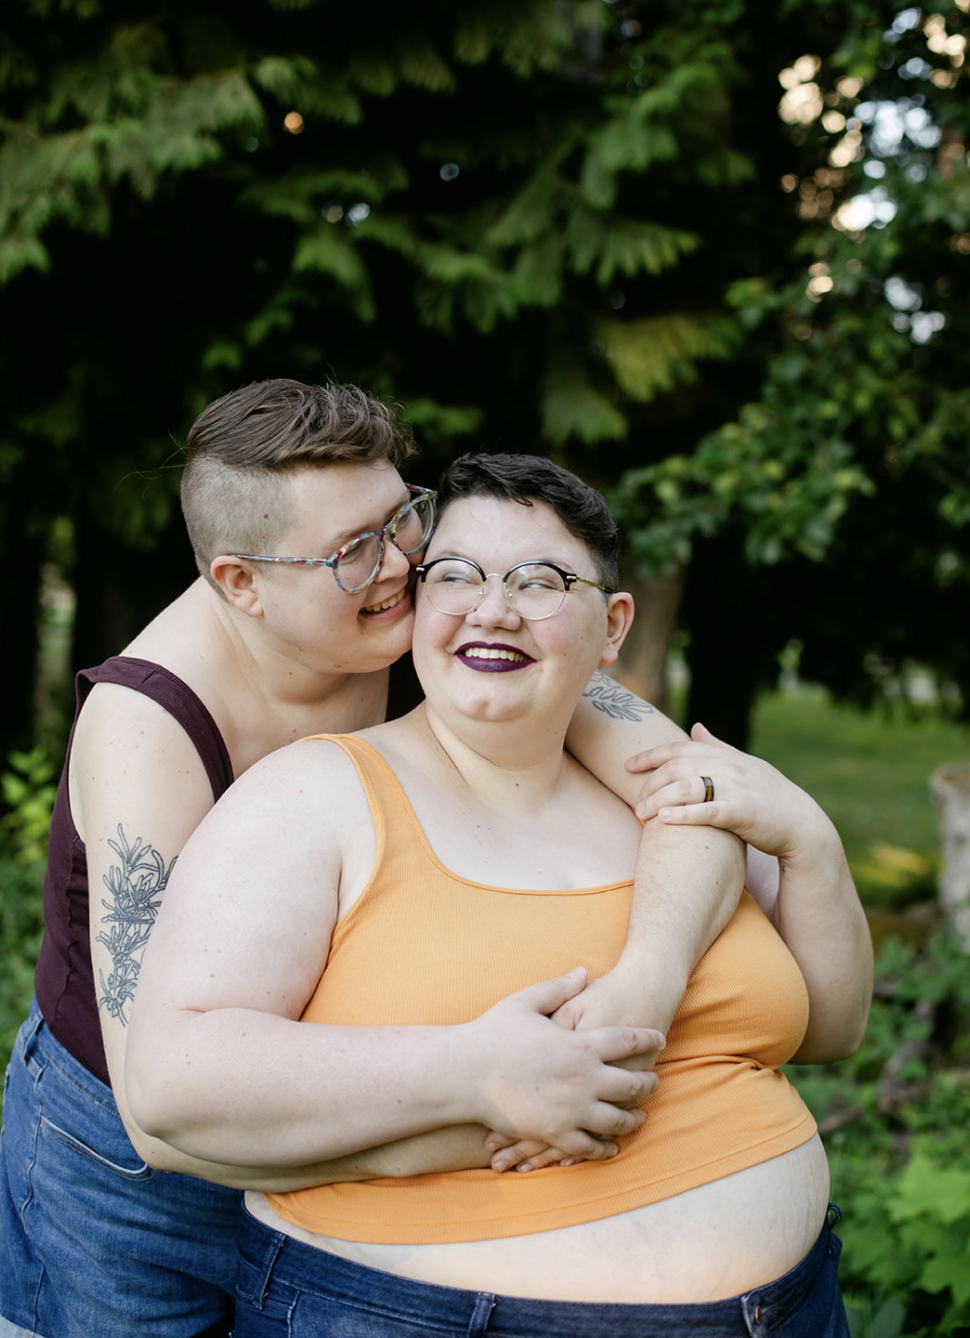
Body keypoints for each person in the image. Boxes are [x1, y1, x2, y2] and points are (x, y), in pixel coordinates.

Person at [0, 382, 747, 1338]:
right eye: (354, 550)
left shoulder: (416, 621)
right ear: (241, 584)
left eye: (402, 517)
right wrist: (496, 1108)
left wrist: (650, 977)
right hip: (126, 1180)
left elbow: (696, 791)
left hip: (346, 1106)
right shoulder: (147, 729)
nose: (402, 563)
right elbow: (160, 1113)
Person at [127, 452, 873, 1338]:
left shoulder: (667, 801)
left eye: (540, 581)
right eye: (456, 574)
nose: (492, 609)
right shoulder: (312, 797)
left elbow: (831, 1030)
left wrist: (812, 843)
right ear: (416, 603)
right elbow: (172, 1082)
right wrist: (471, 1073)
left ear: (612, 627)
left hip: (792, 1309)